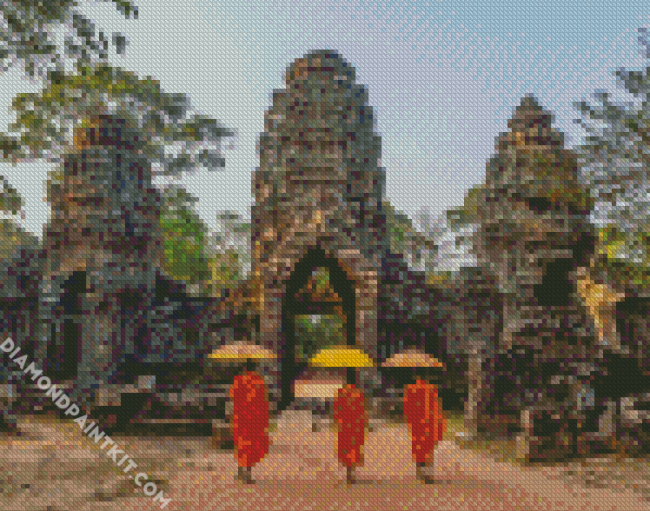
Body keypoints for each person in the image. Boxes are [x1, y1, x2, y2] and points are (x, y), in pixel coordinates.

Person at [403, 379, 446, 484]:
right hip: (428, 425)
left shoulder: (410, 390)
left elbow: (407, 410)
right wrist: (440, 425)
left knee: (420, 450)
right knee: (428, 450)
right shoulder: (431, 389)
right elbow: (437, 408)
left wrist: (409, 423)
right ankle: (427, 475)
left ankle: (421, 473)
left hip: (418, 425)